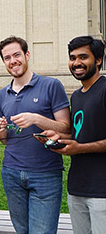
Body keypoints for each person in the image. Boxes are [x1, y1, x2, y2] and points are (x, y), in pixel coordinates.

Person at [0, 36, 70, 234]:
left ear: (27, 55)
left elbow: (66, 128)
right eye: (7, 57)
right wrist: (0, 126)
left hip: (45, 173)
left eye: (17, 55)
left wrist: (36, 118)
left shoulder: (51, 85)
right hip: (11, 173)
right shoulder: (1, 95)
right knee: (22, 231)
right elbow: (4, 140)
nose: (13, 61)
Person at [41, 36, 106, 234]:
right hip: (77, 187)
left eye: (83, 57)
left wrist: (80, 148)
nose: (76, 63)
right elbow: (82, 132)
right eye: (72, 57)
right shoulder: (77, 95)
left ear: (98, 60)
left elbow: (83, 144)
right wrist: (58, 137)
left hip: (102, 191)